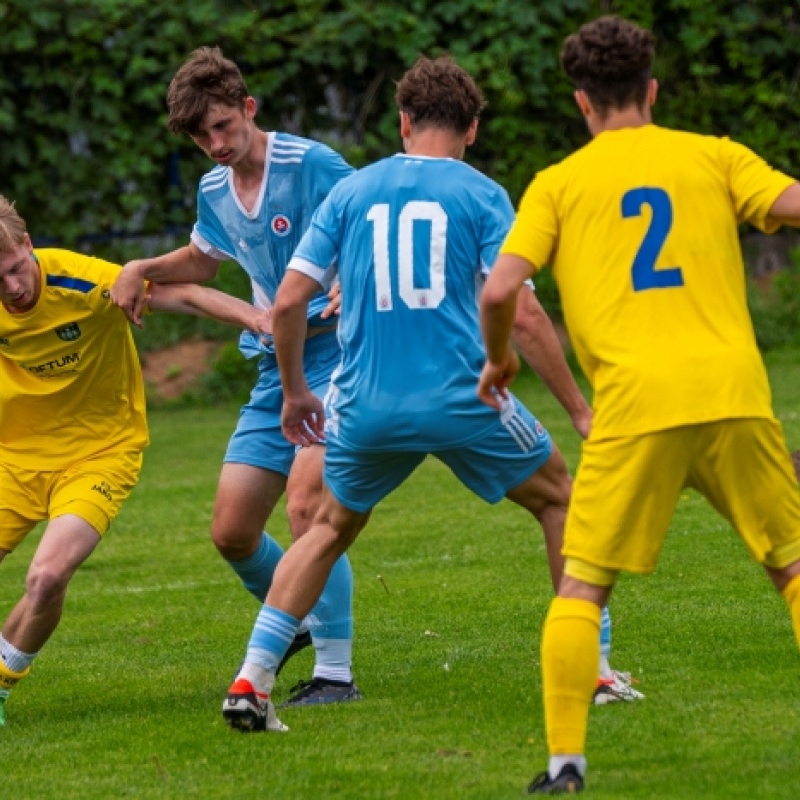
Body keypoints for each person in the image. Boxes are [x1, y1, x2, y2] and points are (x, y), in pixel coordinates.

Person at [220, 55, 637, 735]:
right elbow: (523, 313)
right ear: (471, 129)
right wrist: (580, 408)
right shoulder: (480, 193)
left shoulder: (351, 193)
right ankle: (590, 670)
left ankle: (251, 680)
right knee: (560, 497)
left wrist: (296, 392)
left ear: (403, 122)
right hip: (463, 397)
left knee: (325, 529)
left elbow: (291, 300)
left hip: (364, 405)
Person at [479, 15, 800, 794]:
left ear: (582, 104)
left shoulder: (559, 182)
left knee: (583, 587)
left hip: (632, 409)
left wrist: (500, 358)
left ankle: (563, 766)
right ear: (652, 90)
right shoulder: (713, 156)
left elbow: (498, 289)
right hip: (732, 395)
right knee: (792, 567)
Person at [110, 47, 360, 711]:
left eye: (224, 125)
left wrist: (354, 285)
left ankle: (335, 672)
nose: (215, 144)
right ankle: (296, 613)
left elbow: (372, 224)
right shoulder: (214, 188)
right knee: (232, 531)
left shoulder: (311, 165)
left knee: (309, 509)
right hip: (273, 369)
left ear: (249, 109)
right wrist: (141, 265)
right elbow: (202, 260)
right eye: (201, 136)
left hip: (337, 357)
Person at [0, 194, 274, 726]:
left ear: (27, 245)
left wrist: (258, 319)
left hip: (98, 456)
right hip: (13, 460)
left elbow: (189, 296)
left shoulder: (82, 281)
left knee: (48, 576)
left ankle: (3, 683)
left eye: (14, 268)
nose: (12, 287)